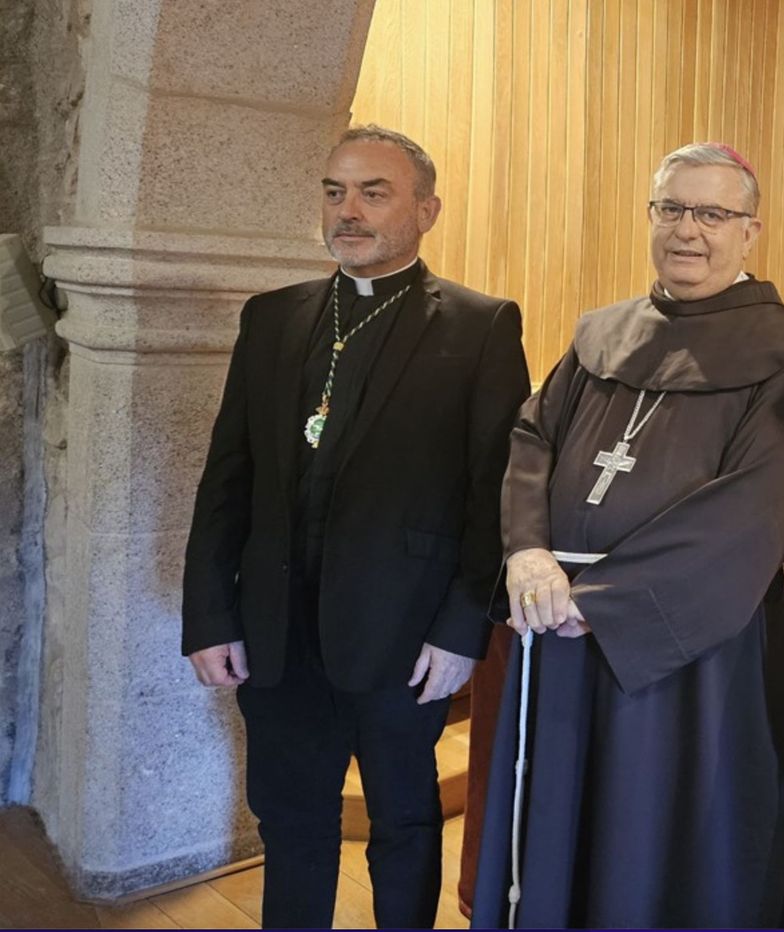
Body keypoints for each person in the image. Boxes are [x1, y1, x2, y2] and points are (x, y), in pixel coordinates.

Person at [470, 142, 784, 928]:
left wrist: (599, 601)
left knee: (649, 835)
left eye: (712, 213)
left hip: (685, 650)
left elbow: (758, 509)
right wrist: (529, 551)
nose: (687, 231)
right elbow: (532, 437)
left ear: (750, 232)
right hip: (556, 626)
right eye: (671, 209)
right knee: (559, 824)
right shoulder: (604, 333)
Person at [182, 125, 530, 928]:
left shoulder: (480, 326)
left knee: (405, 824)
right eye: (336, 192)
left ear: (426, 209)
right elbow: (227, 477)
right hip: (274, 631)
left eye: (375, 193)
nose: (350, 211)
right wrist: (209, 615)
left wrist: (460, 629)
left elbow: (494, 492)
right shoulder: (271, 318)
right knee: (291, 821)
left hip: (404, 635)